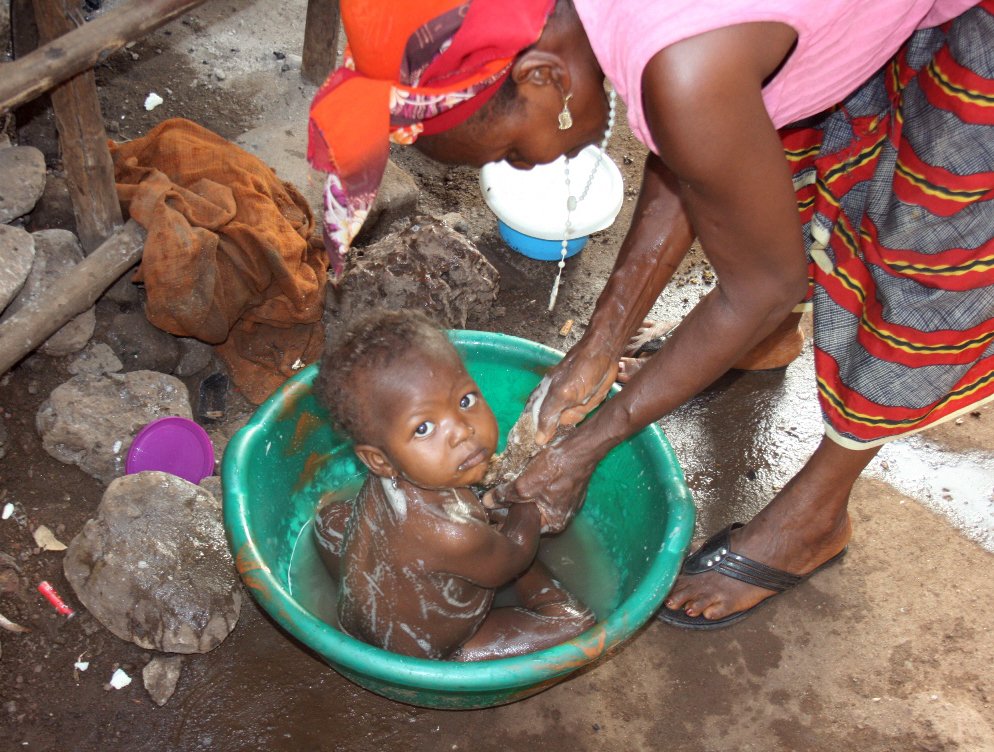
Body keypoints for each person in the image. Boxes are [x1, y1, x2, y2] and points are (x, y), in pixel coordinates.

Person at [307, 0, 994, 628]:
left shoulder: (686, 68)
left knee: (921, 247)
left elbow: (764, 282)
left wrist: (586, 448)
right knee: (756, 155)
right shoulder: (671, 67)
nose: (524, 166)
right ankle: (754, 347)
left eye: (514, 149)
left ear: (545, 78)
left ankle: (814, 516)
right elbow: (694, 148)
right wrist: (598, 350)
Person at [311, 308, 595, 660]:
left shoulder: (392, 472)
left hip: (365, 612)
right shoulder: (451, 533)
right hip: (424, 649)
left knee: (330, 519)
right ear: (379, 460)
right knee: (575, 622)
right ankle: (463, 641)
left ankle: (364, 601)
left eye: (465, 400)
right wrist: (529, 503)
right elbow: (514, 559)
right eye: (424, 428)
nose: (462, 430)